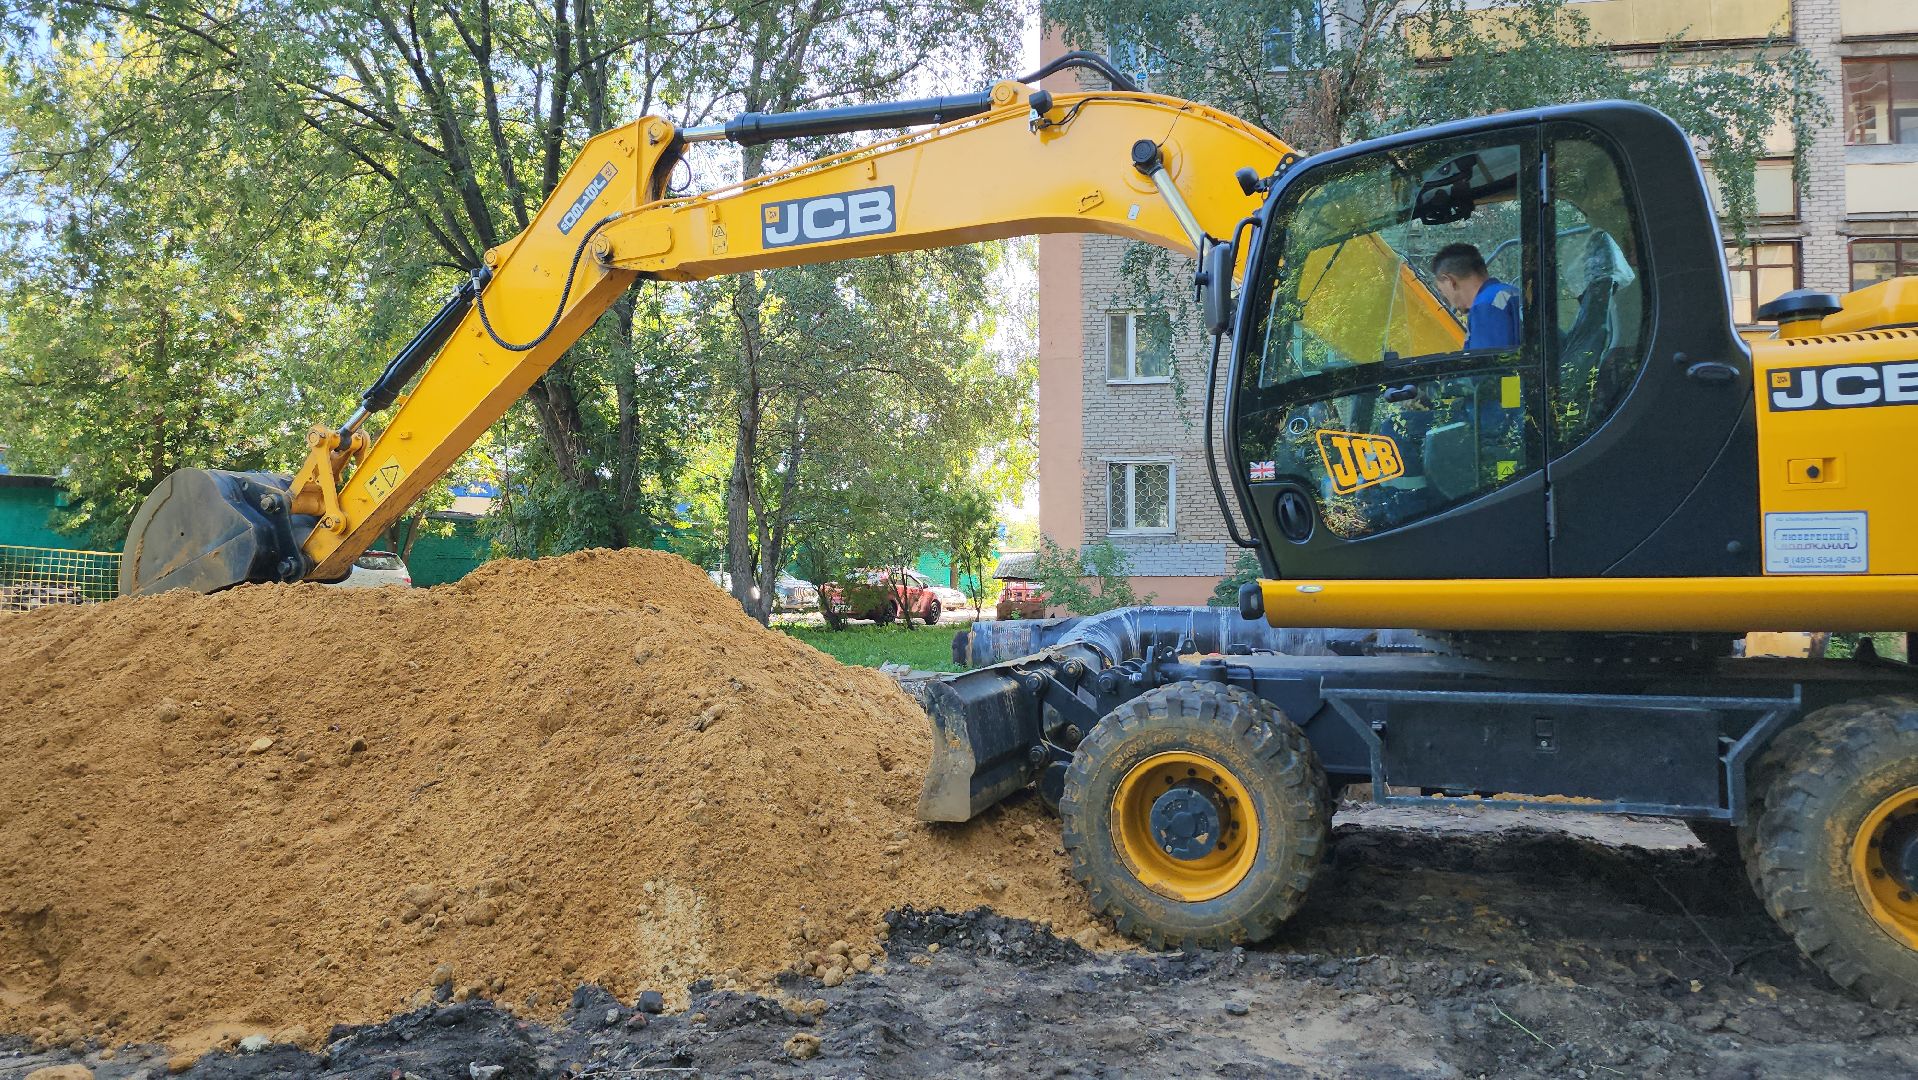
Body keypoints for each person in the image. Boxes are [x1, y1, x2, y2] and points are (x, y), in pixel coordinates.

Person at [1430, 243, 1521, 351]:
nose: (1444, 296)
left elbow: (1488, 365)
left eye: (1441, 290)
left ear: (1450, 281)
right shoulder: (1510, 292)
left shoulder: (1485, 306)